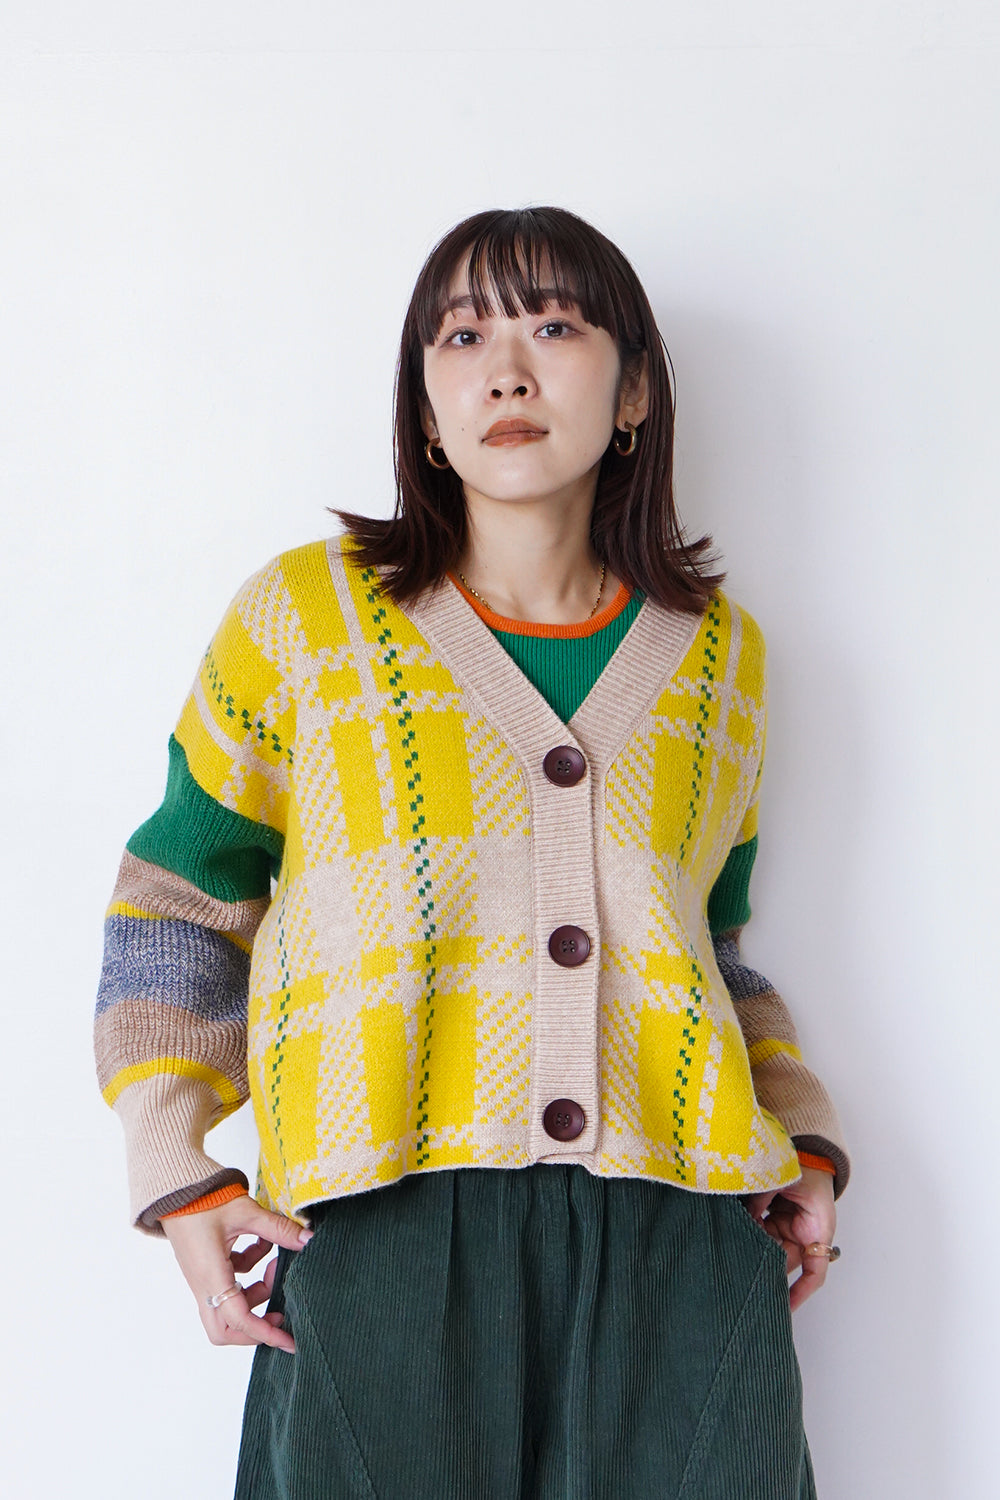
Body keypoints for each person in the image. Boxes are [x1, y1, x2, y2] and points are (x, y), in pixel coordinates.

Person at [95, 205, 849, 1499]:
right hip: (383, 1235)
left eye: (554, 326)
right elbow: (179, 895)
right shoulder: (304, 620)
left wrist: (807, 1144)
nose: (507, 369)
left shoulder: (723, 659)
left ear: (634, 392)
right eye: (462, 336)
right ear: (427, 409)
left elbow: (710, 950)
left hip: (680, 1248)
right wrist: (177, 1168)